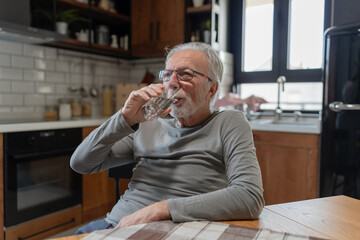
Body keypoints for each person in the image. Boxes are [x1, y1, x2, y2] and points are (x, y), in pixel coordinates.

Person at [70, 42, 264, 234]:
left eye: (185, 74)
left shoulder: (229, 122)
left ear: (211, 89)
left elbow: (249, 197)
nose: (171, 83)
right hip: (117, 226)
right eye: (167, 74)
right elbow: (81, 163)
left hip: (180, 231)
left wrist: (161, 210)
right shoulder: (147, 123)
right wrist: (124, 118)